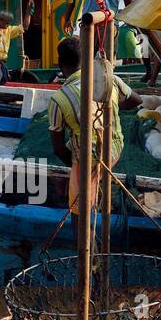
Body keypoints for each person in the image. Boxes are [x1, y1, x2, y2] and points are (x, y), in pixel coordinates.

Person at [47, 35, 142, 212]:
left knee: (79, 211)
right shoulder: (109, 79)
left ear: (60, 65)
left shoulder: (58, 99)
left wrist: (80, 171)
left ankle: (80, 222)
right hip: (116, 147)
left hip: (91, 157)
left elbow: (58, 149)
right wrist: (113, 108)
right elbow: (137, 100)